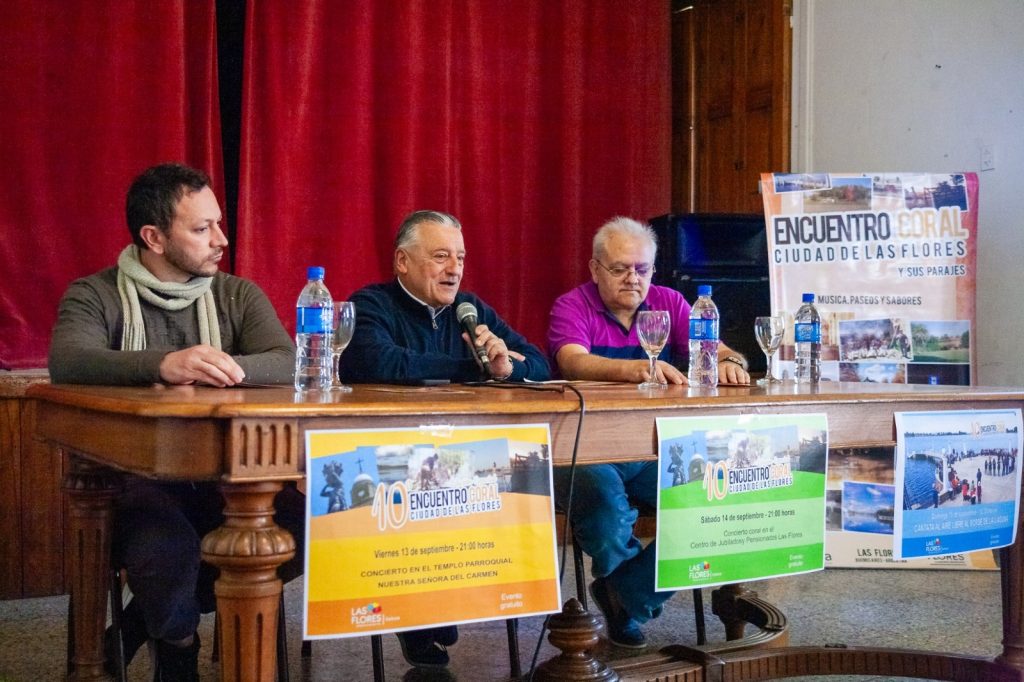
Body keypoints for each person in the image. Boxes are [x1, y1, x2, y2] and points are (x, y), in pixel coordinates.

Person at [48, 163, 304, 681]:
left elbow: (285, 360)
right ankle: (179, 644)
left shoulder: (236, 294)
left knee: (309, 525)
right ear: (154, 238)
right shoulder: (95, 293)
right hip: (132, 477)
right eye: (203, 228)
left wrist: (218, 368)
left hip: (227, 475)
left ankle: (139, 625)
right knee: (164, 543)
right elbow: (69, 360)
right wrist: (163, 364)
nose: (222, 240)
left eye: (218, 224)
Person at [339, 209, 550, 669]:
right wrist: (476, 369)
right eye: (440, 257)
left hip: (465, 460)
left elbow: (539, 361)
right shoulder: (371, 304)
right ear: (402, 262)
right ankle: (422, 608)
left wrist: (506, 368)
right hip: (391, 461)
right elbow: (378, 362)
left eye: (460, 257)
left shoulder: (470, 311)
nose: (454, 269)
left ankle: (440, 601)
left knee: (500, 484)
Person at [546, 216, 750, 649]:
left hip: (655, 448)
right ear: (595, 268)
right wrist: (634, 369)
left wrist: (732, 362)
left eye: (641, 269)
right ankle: (628, 597)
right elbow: (572, 361)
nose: (632, 279)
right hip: (587, 450)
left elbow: (717, 349)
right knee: (604, 510)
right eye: (620, 268)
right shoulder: (572, 305)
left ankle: (625, 596)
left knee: (714, 500)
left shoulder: (670, 302)